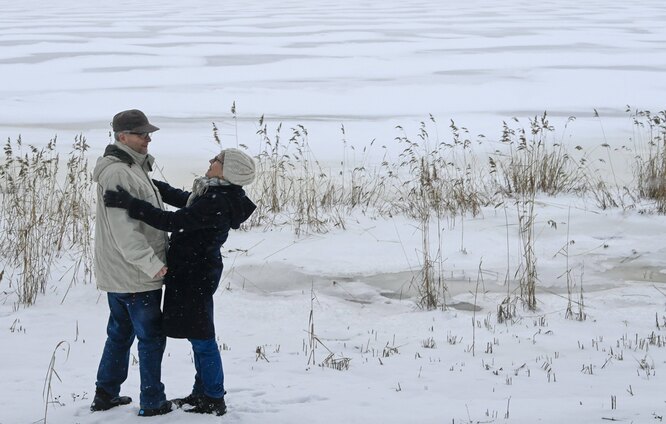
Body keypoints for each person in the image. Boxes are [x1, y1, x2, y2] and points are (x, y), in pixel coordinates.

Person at [103, 148, 257, 416]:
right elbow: (184, 200)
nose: (211, 161)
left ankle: (213, 397)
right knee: (199, 333)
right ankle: (203, 392)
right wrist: (150, 184)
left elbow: (171, 221)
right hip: (193, 273)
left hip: (194, 275)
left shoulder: (217, 201)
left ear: (228, 171)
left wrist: (131, 203)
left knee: (202, 337)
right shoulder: (216, 193)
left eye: (218, 160)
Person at [90, 109, 172, 417]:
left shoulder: (131, 168)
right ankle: (152, 402)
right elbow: (124, 229)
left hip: (125, 272)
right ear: (123, 137)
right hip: (135, 273)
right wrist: (151, 264)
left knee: (120, 333)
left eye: (148, 133)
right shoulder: (119, 172)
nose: (148, 138)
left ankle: (106, 394)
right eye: (142, 134)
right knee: (150, 338)